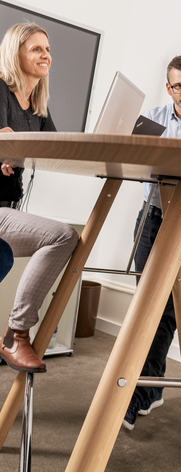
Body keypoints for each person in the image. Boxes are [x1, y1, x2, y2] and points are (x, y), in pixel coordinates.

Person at [123, 55, 181, 431]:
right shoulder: (152, 119)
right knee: (146, 304)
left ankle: (146, 389)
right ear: (168, 87)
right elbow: (132, 162)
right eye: (178, 86)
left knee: (171, 308)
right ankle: (141, 387)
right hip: (152, 216)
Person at [0, 22, 79, 373]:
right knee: (62, 235)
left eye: (47, 49)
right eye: (36, 49)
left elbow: (57, 152)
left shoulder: (37, 108)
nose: (46, 54)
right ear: (15, 53)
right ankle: (17, 334)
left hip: (6, 207)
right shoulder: (0, 89)